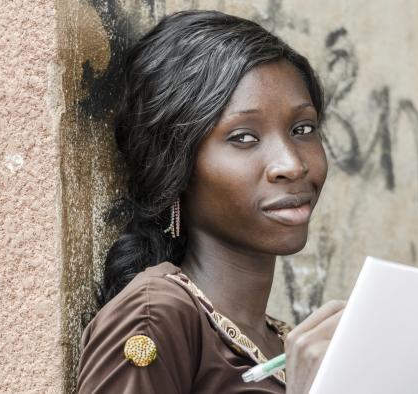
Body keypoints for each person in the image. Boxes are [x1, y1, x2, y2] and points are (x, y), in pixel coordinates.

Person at [77, 10, 344, 394]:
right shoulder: (154, 317)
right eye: (243, 137)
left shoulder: (280, 342)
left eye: (302, 129)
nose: (292, 164)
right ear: (176, 166)